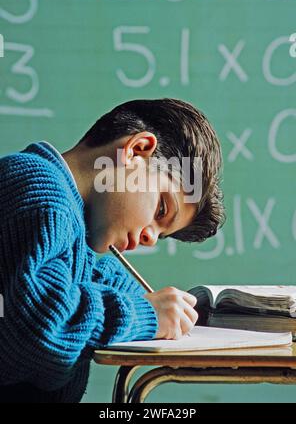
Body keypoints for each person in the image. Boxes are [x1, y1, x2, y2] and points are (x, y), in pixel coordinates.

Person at [0, 98, 225, 402]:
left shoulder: (71, 223)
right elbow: (46, 326)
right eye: (161, 208)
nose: (150, 239)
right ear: (137, 151)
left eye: (161, 235)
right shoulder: (39, 193)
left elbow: (102, 280)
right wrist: (148, 313)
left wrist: (166, 309)